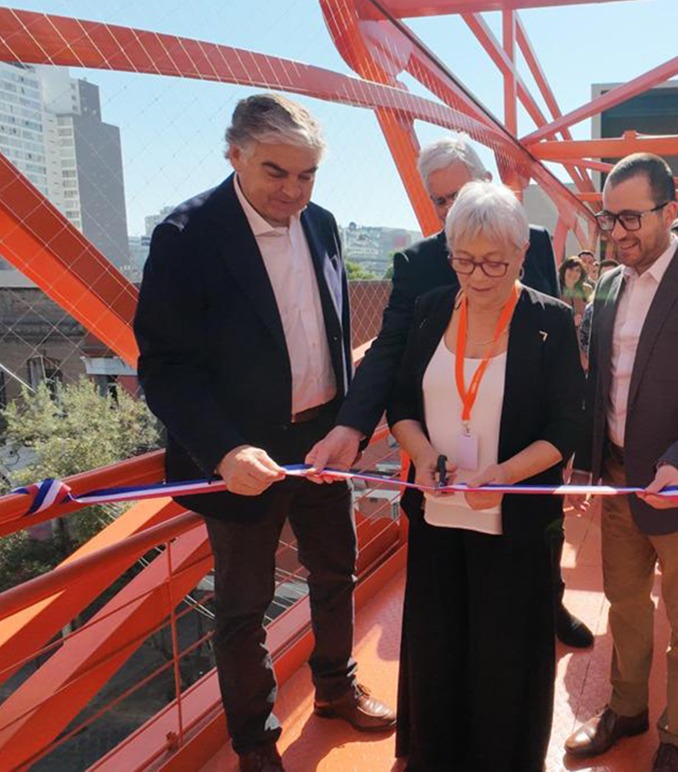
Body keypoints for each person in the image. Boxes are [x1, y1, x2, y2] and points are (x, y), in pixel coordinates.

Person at [134, 94, 395, 772]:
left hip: (322, 441)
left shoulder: (323, 224)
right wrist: (223, 450)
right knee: (243, 607)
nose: (294, 191)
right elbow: (164, 367)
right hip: (241, 454)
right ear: (235, 155)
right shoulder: (187, 235)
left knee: (335, 571)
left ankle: (335, 687)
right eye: (276, 172)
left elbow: (333, 336)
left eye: (307, 175)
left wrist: (348, 423)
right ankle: (255, 744)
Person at [307, 136, 595, 649]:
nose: (449, 209)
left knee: (531, 561)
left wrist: (559, 445)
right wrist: (351, 427)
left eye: (457, 195)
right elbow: (391, 350)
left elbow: (549, 334)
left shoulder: (529, 238)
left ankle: (550, 605)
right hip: (445, 457)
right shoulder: (419, 263)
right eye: (438, 201)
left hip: (520, 446)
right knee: (447, 603)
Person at [388, 181, 584, 771]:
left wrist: (504, 475)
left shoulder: (550, 320)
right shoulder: (430, 310)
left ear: (523, 254)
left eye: (495, 262)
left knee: (505, 654)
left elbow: (565, 427)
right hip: (437, 515)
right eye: (464, 260)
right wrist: (423, 454)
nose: (477, 276)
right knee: (438, 645)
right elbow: (401, 404)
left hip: (514, 521)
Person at [564, 153, 678, 772]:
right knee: (624, 605)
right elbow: (600, 387)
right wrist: (588, 469)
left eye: (631, 218)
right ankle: (627, 709)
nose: (616, 232)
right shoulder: (608, 286)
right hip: (620, 483)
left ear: (670, 212)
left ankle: (677, 739)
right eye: (607, 218)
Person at [558, 254, 595, 327]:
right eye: (571, 269)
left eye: (577, 270)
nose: (574, 273)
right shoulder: (556, 288)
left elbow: (592, 314)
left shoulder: (587, 290)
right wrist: (571, 322)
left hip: (581, 332)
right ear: (564, 270)